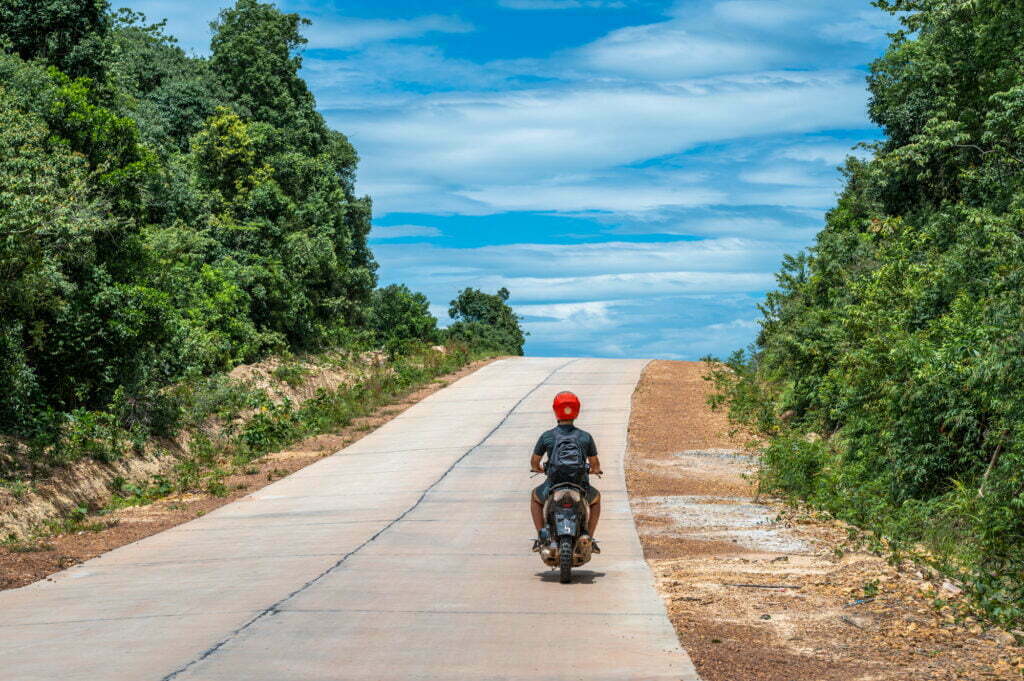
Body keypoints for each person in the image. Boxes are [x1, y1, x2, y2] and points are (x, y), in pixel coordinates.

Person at [530, 391, 603, 553]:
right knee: (596, 500)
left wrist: (539, 469)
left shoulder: (547, 436)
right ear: (577, 411)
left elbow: (534, 462)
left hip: (553, 484)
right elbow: (595, 464)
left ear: (555, 410)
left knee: (535, 498)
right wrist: (594, 470)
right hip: (580, 484)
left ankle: (541, 536)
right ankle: (589, 538)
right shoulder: (585, 437)